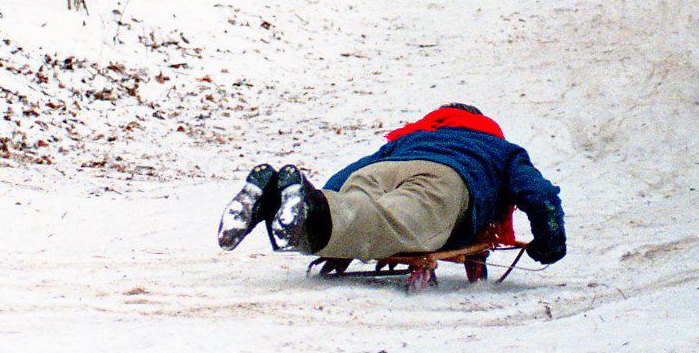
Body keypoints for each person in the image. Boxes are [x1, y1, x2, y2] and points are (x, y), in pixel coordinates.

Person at [216, 103, 566, 266]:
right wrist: (549, 245)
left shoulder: (412, 137)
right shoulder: (500, 148)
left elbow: (358, 168)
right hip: (443, 180)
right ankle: (305, 210)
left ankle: (276, 196)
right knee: (390, 220)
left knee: (355, 204)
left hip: (383, 169)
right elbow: (541, 197)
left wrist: (320, 194)